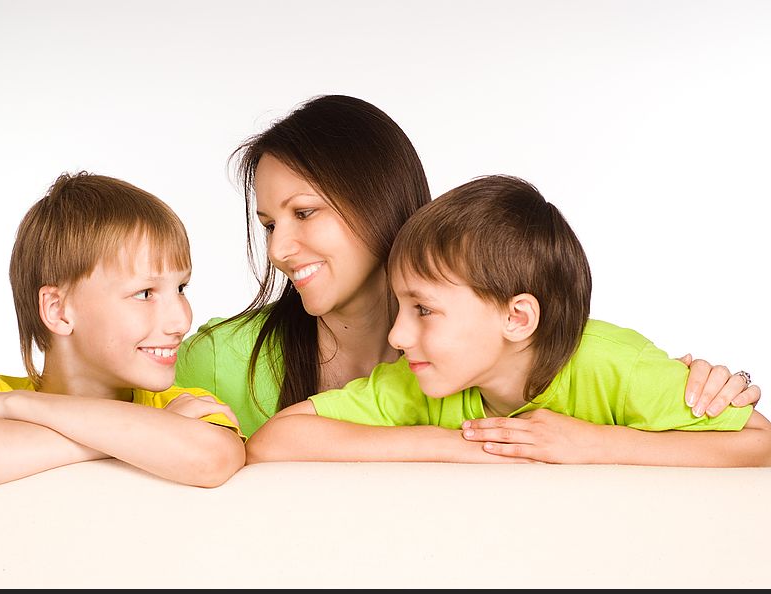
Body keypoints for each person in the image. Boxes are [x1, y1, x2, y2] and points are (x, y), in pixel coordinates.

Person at [170, 94, 756, 440]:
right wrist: (493, 446)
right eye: (270, 224)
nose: (277, 249)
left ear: (378, 201)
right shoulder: (216, 359)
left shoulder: (486, 347)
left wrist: (696, 396)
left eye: (303, 212)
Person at [247, 176, 770, 467]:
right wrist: (454, 445)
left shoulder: (614, 365)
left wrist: (596, 444)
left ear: (517, 317)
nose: (397, 335)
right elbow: (276, 439)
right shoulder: (419, 385)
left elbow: (760, 442)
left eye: (423, 310)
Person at [0, 172, 246, 493]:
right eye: (145, 293)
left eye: (181, 288)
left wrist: (13, 405)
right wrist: (147, 434)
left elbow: (212, 459)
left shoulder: (183, 405)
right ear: (58, 310)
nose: (181, 320)